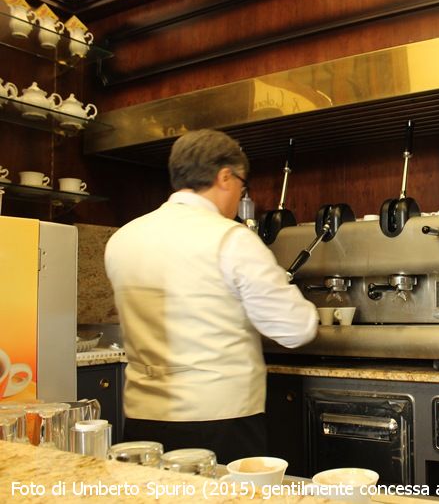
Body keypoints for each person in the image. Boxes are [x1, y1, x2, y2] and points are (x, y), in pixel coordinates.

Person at [105, 129, 318, 463]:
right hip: (221, 421)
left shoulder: (122, 239)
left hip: (143, 422)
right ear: (225, 176)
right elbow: (295, 329)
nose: (240, 196)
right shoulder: (231, 239)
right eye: (242, 186)